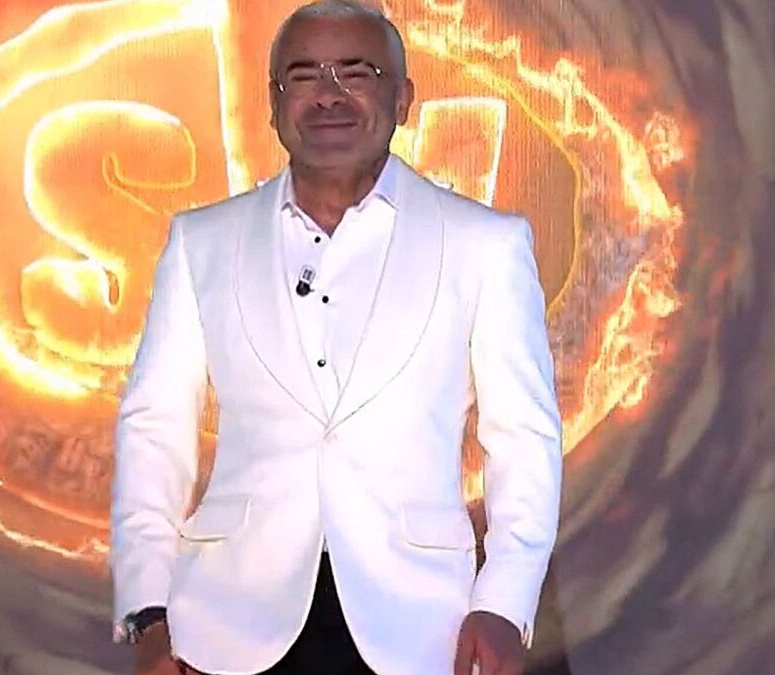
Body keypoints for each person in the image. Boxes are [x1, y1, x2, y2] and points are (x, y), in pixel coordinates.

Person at [109, 1, 563, 673]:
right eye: (304, 75)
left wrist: (503, 602)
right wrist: (148, 611)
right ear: (273, 103)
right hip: (224, 625)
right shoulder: (201, 241)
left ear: (402, 98)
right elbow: (154, 431)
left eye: (356, 73)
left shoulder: (486, 244)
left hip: (421, 628)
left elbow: (524, 439)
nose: (328, 95)